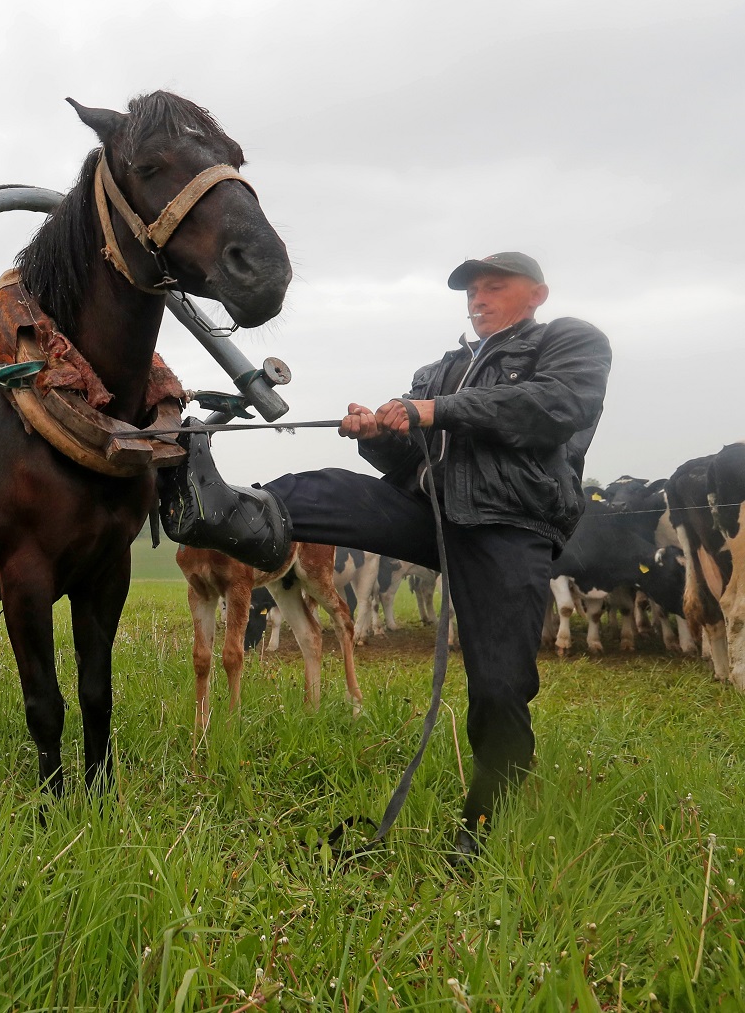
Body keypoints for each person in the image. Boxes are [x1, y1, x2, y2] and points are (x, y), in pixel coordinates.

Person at [160, 251, 613, 856]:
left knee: (501, 689)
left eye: (493, 288)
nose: (478, 299)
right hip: (429, 513)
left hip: (508, 525)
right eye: (471, 290)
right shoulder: (443, 368)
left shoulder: (569, 344)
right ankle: (214, 513)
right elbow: (409, 462)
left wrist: (437, 410)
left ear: (537, 294)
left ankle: (482, 823)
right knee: (314, 489)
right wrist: (377, 437)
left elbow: (555, 408)